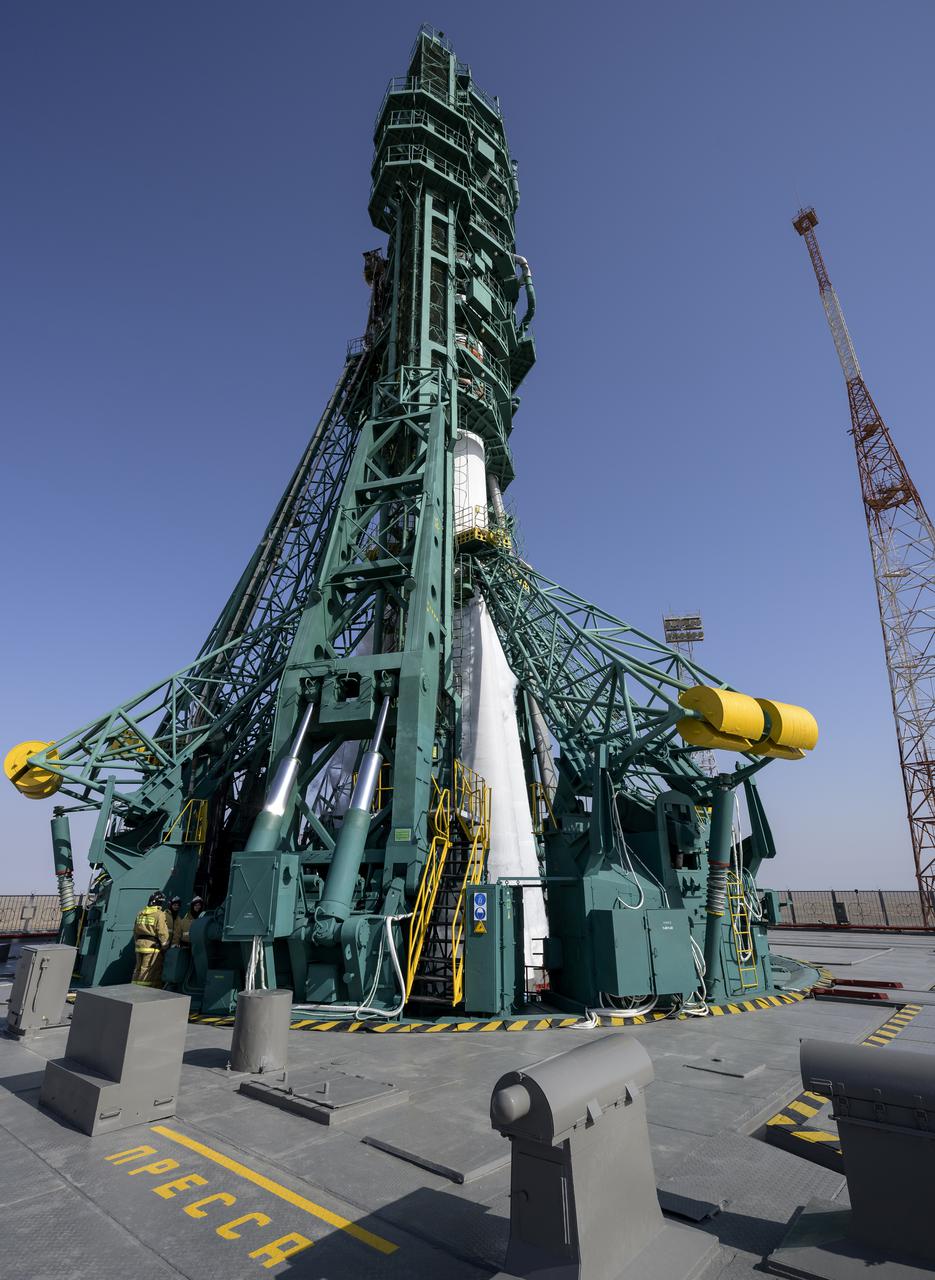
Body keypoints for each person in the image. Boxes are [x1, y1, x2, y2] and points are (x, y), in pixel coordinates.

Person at [132, 892, 171, 986]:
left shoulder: (140, 913)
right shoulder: (159, 914)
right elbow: (162, 932)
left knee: (138, 968)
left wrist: (137, 942)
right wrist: (165, 946)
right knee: (147, 970)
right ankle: (142, 992)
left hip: (139, 945)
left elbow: (135, 931)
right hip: (151, 947)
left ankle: (133, 987)